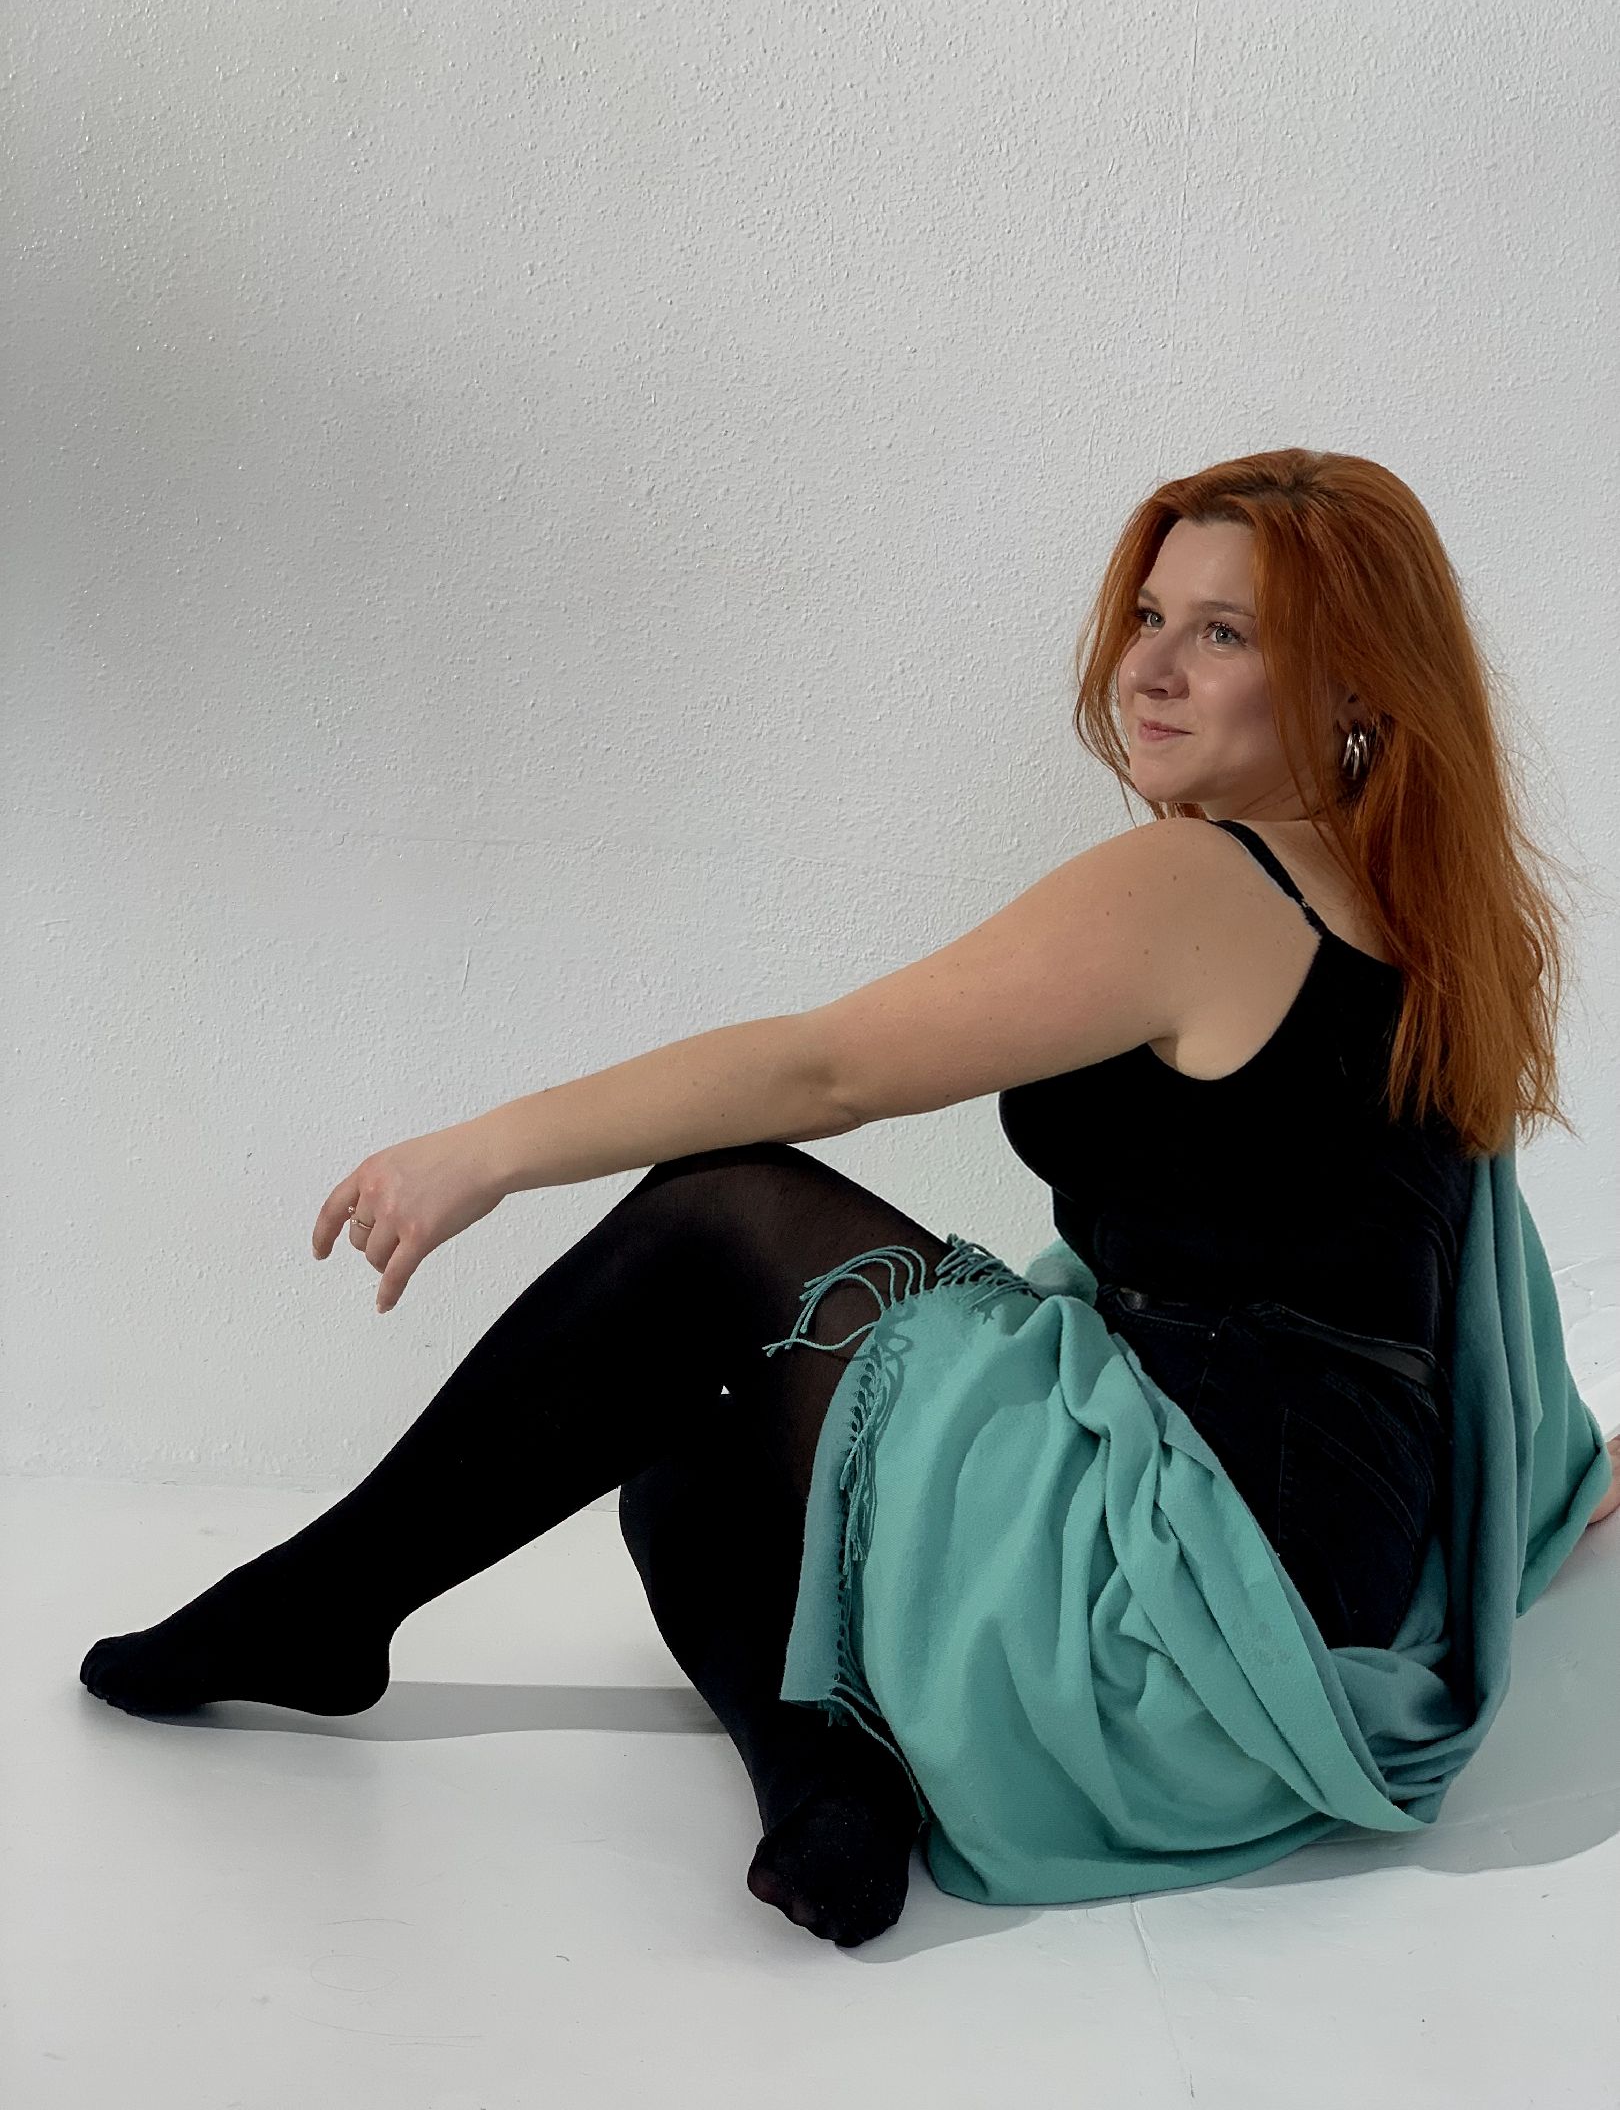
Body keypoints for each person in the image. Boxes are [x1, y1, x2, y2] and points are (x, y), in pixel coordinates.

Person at [80, 448, 1619, 1949]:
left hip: (1177, 1617)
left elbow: (826, 1071)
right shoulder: (1423, 916)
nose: (1150, 668)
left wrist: (483, 1150)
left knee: (720, 1216)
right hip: (1325, 1607)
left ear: (1356, 686)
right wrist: (1575, 1484)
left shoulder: (1204, 882)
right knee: (685, 1469)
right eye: (1152, 616)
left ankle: (321, 1605)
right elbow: (1449, 1299)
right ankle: (823, 1785)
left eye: (1224, 635)